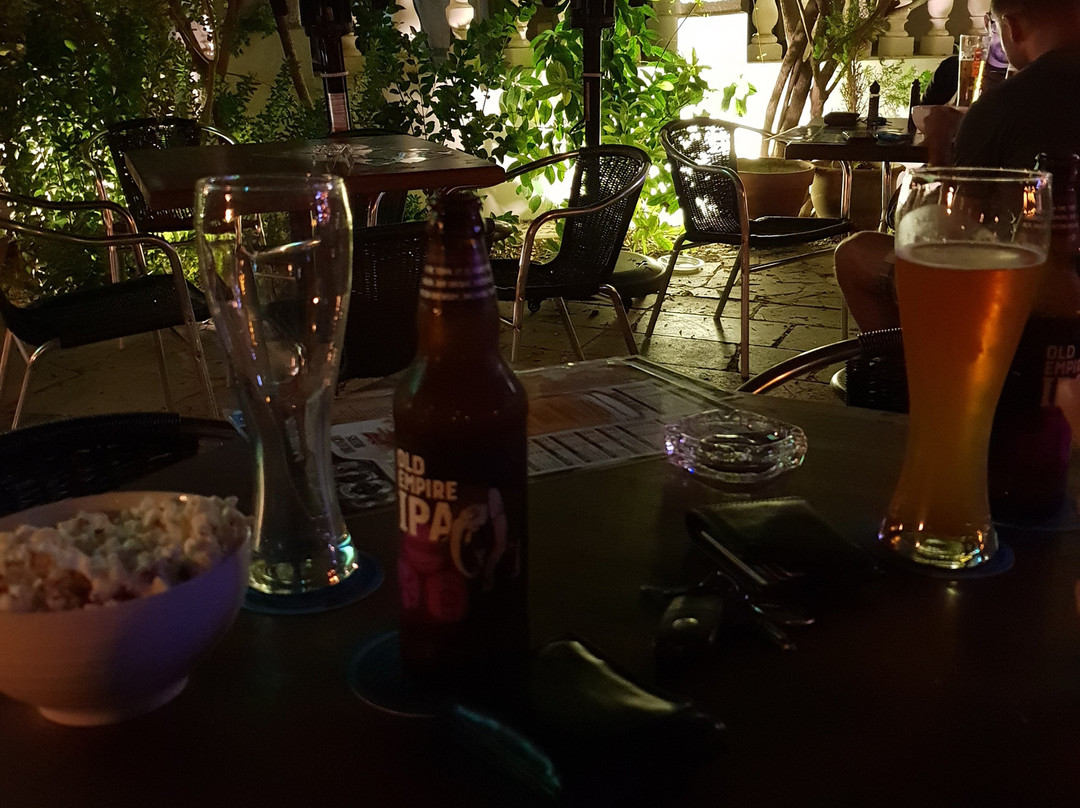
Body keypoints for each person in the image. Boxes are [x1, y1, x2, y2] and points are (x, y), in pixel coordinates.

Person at [834, 0, 1080, 332]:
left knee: (855, 254)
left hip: (1021, 302)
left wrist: (940, 142)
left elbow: (950, 235)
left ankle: (908, 359)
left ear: (1012, 27)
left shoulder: (1006, 105)